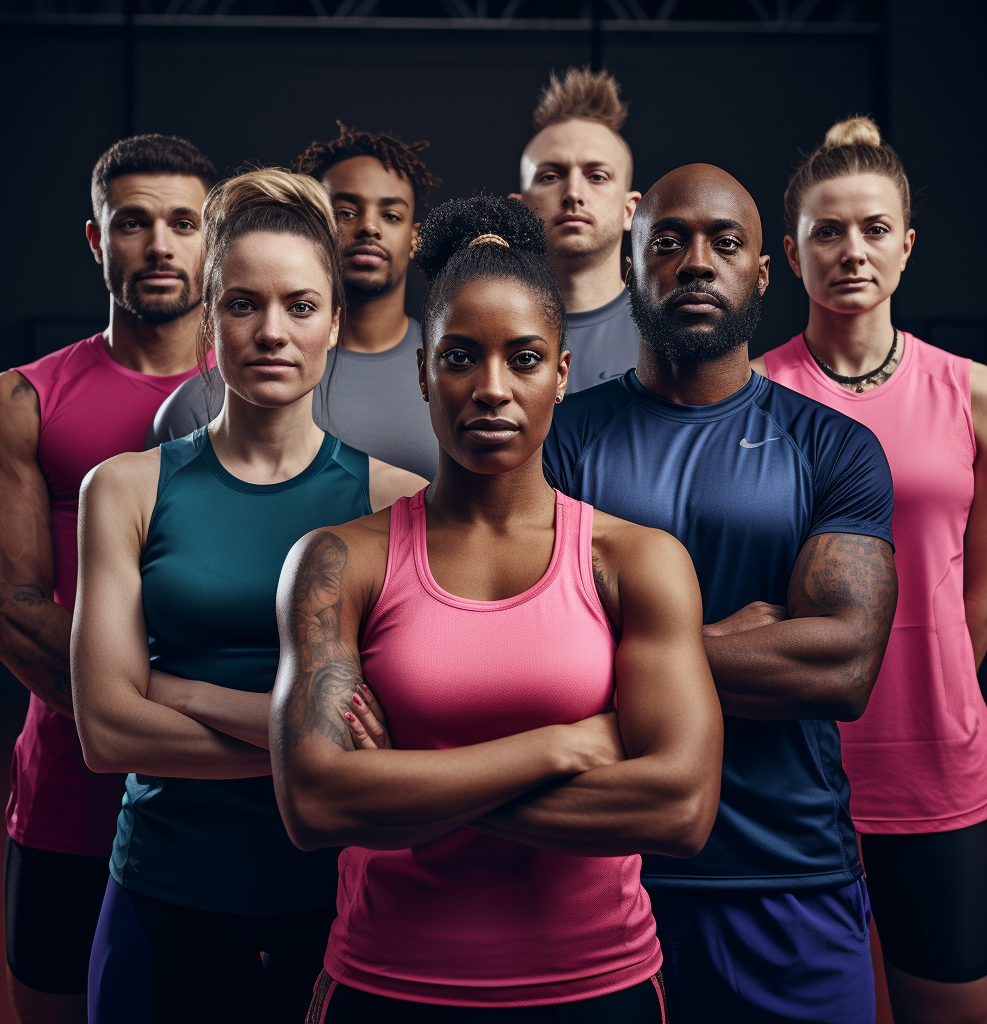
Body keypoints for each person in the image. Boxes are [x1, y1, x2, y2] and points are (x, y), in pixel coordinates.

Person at [269, 194, 724, 1023]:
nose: (489, 389)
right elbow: (315, 806)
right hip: (384, 986)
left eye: (521, 359)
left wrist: (407, 778)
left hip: (599, 988)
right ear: (421, 370)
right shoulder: (338, 561)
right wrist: (563, 745)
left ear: (560, 372)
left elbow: (680, 810)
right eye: (459, 358)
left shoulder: (637, 562)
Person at [544, 163, 899, 1024]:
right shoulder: (556, 444)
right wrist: (738, 639)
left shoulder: (834, 449)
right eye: (667, 242)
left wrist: (630, 648)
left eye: (724, 242)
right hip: (597, 876)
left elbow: (842, 668)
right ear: (629, 266)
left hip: (789, 872)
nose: (695, 262)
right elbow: (518, 660)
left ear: (761, 274)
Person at [71, 169, 424, 1024]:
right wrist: (311, 752)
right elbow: (108, 730)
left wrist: (185, 693)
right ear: (209, 319)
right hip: (165, 887)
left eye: (301, 306)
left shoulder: (396, 501)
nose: (272, 332)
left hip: (335, 906)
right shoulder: (123, 489)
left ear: (336, 324)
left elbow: (403, 742)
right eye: (242, 305)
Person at [0, 133, 216, 1024]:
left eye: (183, 223)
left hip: (225, 812)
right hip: (69, 801)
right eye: (133, 222)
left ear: (212, 239)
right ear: (95, 239)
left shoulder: (268, 392)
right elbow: (17, 620)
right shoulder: (21, 400)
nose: (158, 244)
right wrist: (168, 722)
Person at [755, 116, 987, 1024]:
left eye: (875, 229)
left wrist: (943, 685)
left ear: (907, 245)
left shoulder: (971, 392)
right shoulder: (756, 397)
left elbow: (979, 585)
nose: (853, 251)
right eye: (827, 231)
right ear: (791, 250)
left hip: (938, 764)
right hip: (793, 774)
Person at [151, 123, 441, 480]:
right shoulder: (198, 403)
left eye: (391, 215)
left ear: (415, 237)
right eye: (345, 213)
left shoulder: (448, 375)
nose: (369, 227)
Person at [511, 67, 641, 392]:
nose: (573, 193)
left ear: (631, 210)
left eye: (596, 176)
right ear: (517, 209)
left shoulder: (670, 332)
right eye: (550, 176)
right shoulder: (482, 328)